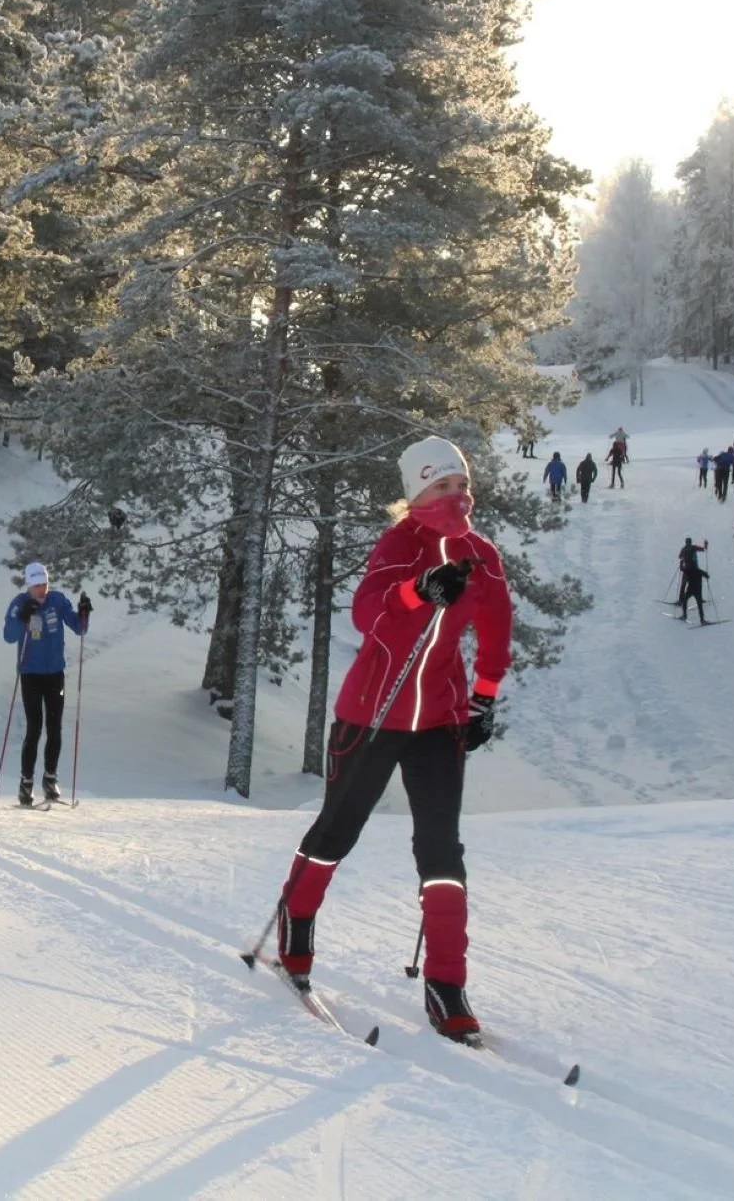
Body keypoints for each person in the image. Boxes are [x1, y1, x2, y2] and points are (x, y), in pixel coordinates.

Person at [269, 436, 513, 1044]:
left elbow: (496, 627)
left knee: (440, 850)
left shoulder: (481, 555)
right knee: (338, 829)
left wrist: (483, 696)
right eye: (441, 486)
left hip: (440, 721)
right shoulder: (400, 544)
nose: (456, 497)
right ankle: (295, 923)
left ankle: (447, 985)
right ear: (415, 493)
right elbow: (366, 611)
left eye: (461, 485)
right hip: (373, 712)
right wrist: (419, 590)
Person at [2, 562, 91, 806]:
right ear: (29, 586)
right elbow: (8, 636)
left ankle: (50, 779)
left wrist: (84, 612)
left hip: (55, 674)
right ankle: (26, 783)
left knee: (55, 727)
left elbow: (79, 628)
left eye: (44, 584)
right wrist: (22, 618)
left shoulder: (58, 601)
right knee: (34, 728)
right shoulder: (19, 603)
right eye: (37, 585)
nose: (42, 590)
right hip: (30, 674)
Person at [677, 537, 710, 624]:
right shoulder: (694, 547)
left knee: (684, 584)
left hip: (688, 572)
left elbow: (680, 557)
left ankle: (682, 607)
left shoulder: (684, 549)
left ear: (686, 542)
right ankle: (702, 620)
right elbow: (703, 549)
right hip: (695, 573)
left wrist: (681, 563)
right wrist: (705, 545)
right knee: (699, 603)